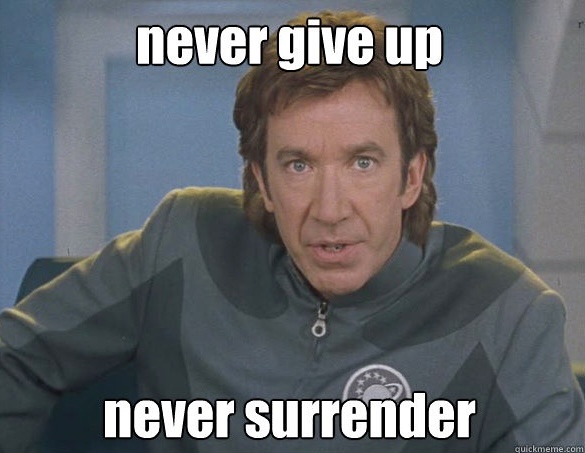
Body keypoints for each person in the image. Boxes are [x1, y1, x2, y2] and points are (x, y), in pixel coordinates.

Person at [0, 10, 583, 453]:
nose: (330, 210)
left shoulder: (510, 312)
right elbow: (15, 359)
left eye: (362, 162)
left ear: (411, 176)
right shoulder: (182, 239)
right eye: (299, 165)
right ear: (262, 180)